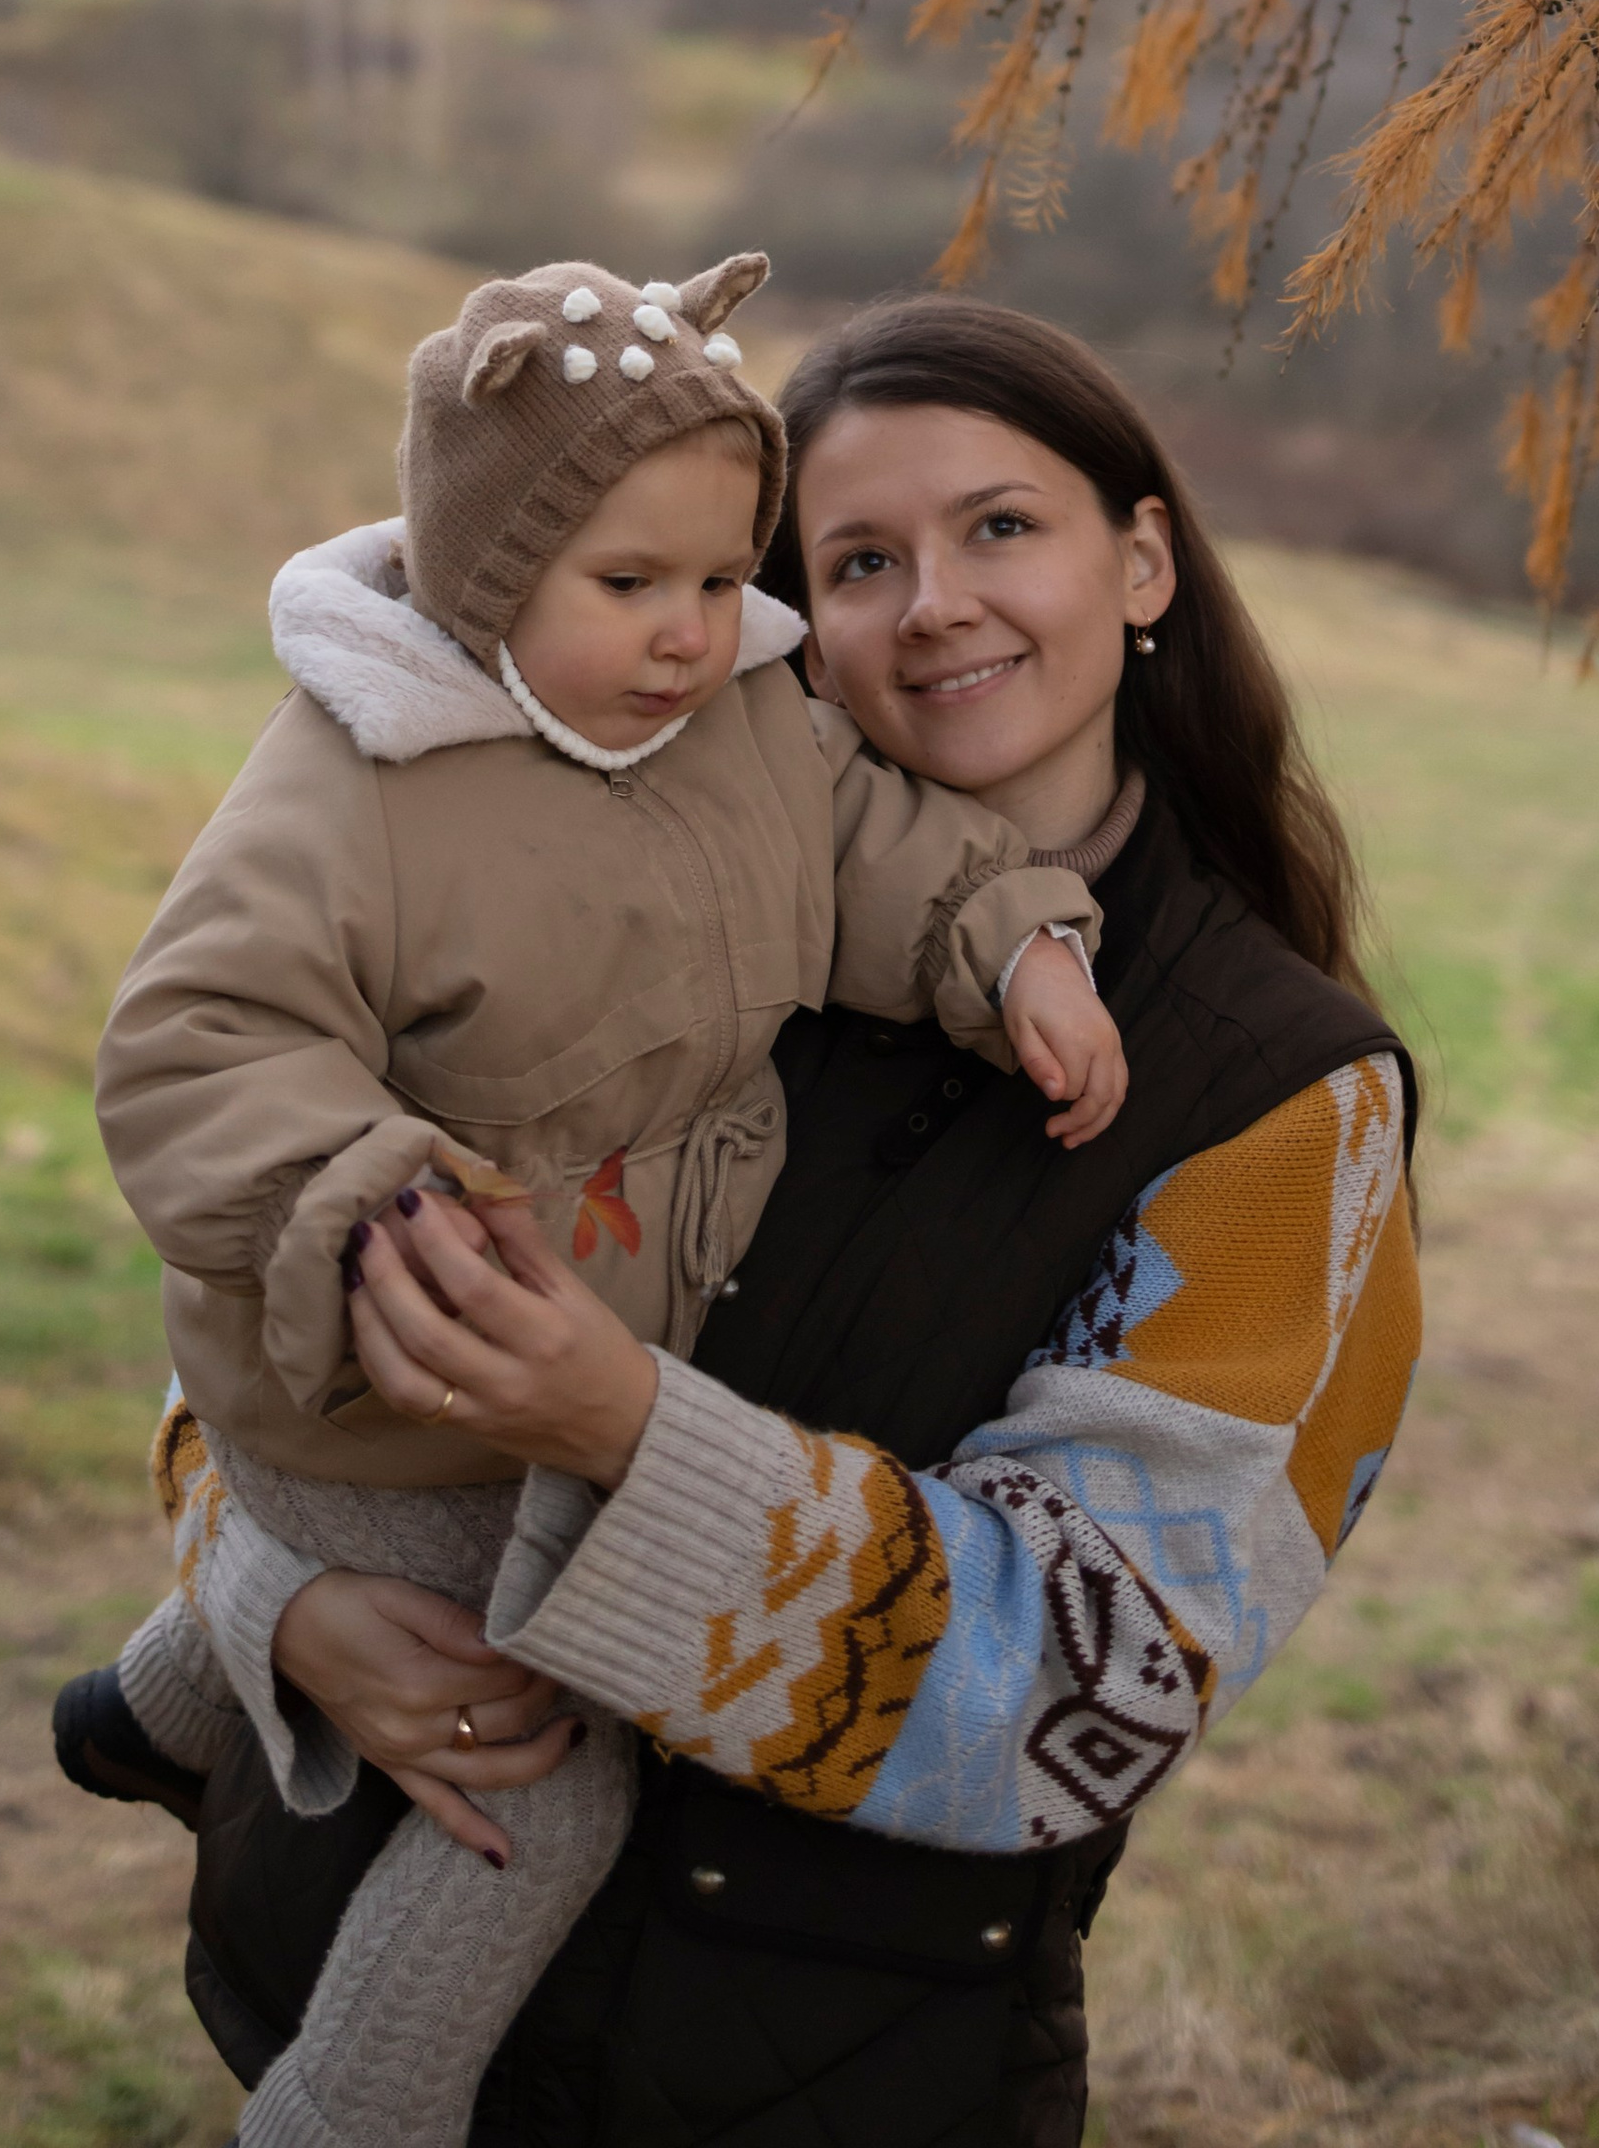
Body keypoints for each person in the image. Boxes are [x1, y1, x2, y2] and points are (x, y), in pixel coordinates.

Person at [169, 294, 1424, 2148]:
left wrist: (617, 1432)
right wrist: (283, 1606)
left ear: (1142, 559)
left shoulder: (1283, 1106)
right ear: (784, 625)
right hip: (353, 1976)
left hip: (827, 2083)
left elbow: (1087, 1681)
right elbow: (253, 1299)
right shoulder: (601, 892)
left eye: (1002, 526)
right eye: (857, 560)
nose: (932, 602)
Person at [70, 254, 1122, 2148]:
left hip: (573, 1352)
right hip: (404, 1371)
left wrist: (1015, 943)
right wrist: (372, 1203)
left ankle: (169, 1699)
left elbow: (873, 840)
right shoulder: (359, 788)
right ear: (484, 579)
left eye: (727, 581)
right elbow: (197, 1043)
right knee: (553, 1781)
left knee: (404, 1600)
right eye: (628, 586)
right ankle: (348, 2110)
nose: (689, 634)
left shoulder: (737, 722)